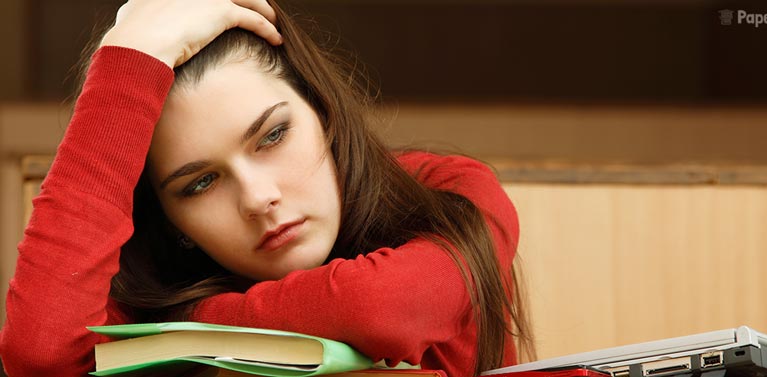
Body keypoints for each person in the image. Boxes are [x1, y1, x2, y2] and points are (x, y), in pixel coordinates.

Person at [0, 0, 534, 376]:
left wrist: (182, 333)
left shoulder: (447, 190)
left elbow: (379, 308)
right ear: (171, 221)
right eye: (200, 183)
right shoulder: (152, 288)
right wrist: (129, 54)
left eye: (273, 135)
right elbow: (39, 355)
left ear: (323, 112)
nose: (258, 199)